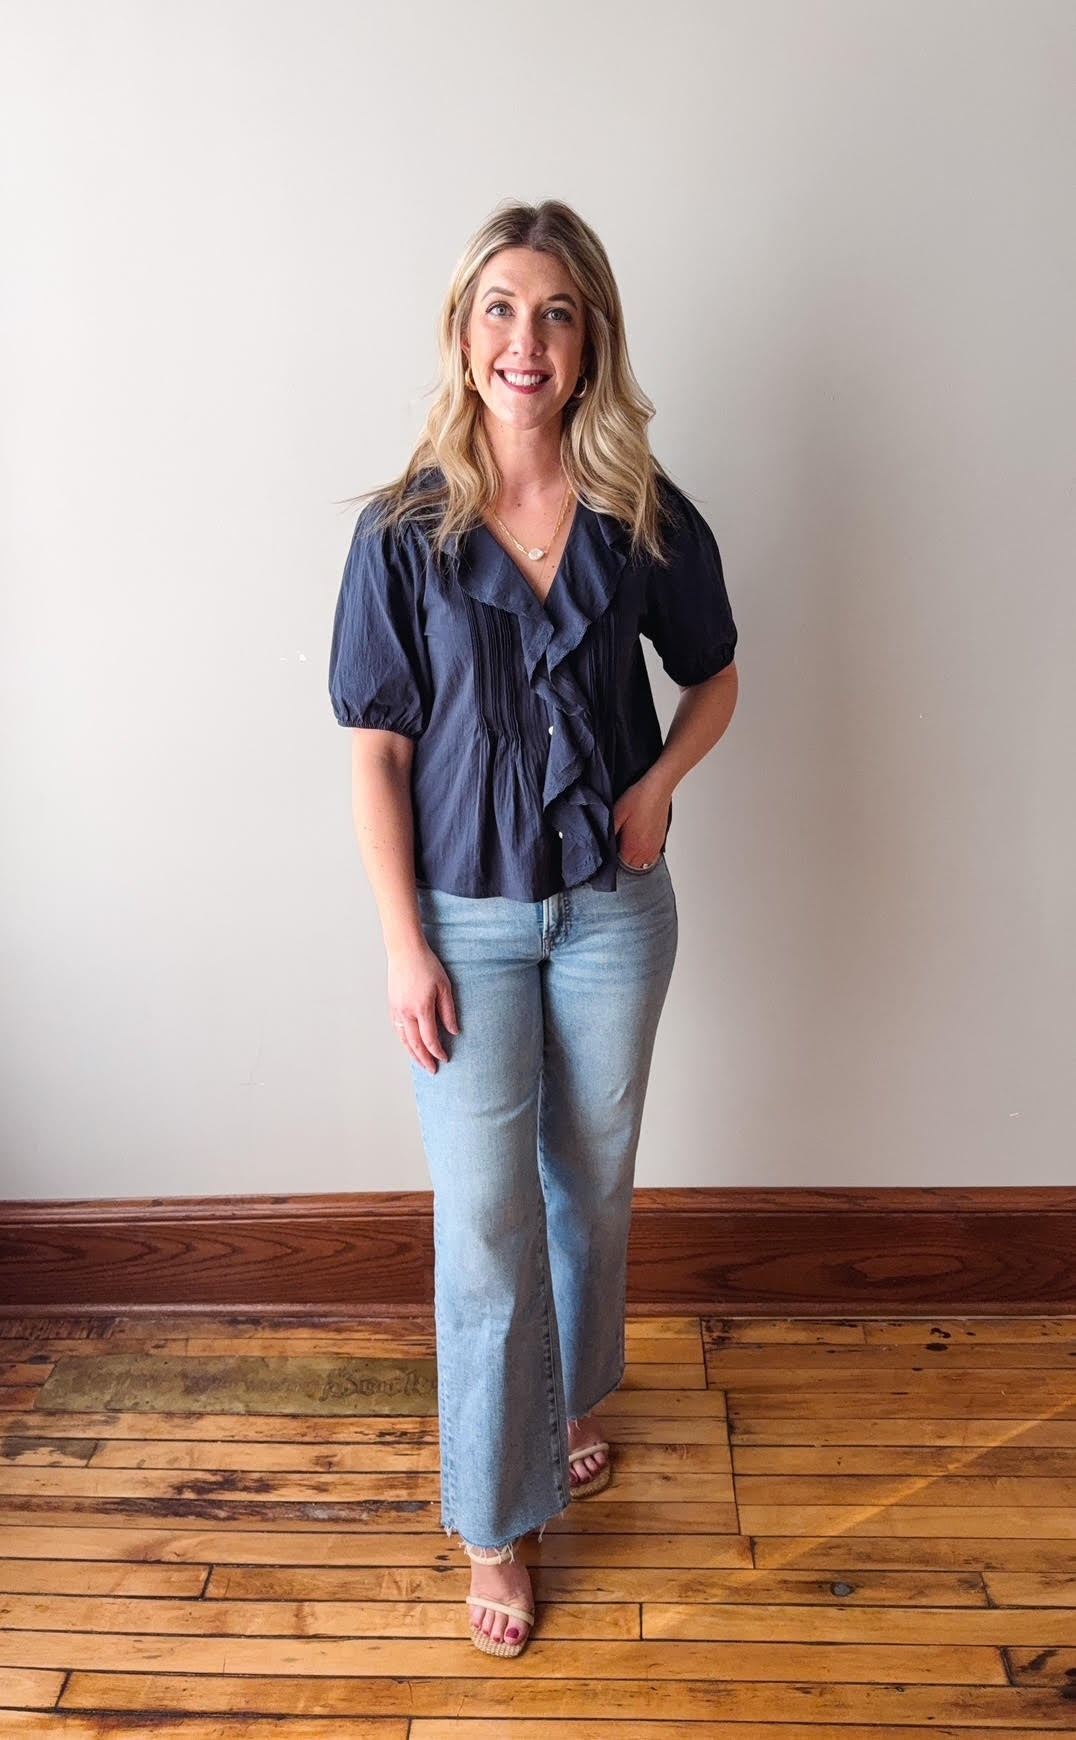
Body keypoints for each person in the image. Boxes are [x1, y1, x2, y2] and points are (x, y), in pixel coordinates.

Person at [328, 198, 738, 1659]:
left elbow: (718, 676)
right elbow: (375, 748)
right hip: (465, 922)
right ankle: (495, 1525)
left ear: (590, 341)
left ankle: (556, 1413)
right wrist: (403, 943)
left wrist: (661, 788)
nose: (526, 339)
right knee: (485, 1223)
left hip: (618, 915)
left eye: (555, 312)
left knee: (590, 1182)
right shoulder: (401, 531)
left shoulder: (642, 506)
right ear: (464, 333)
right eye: (500, 308)